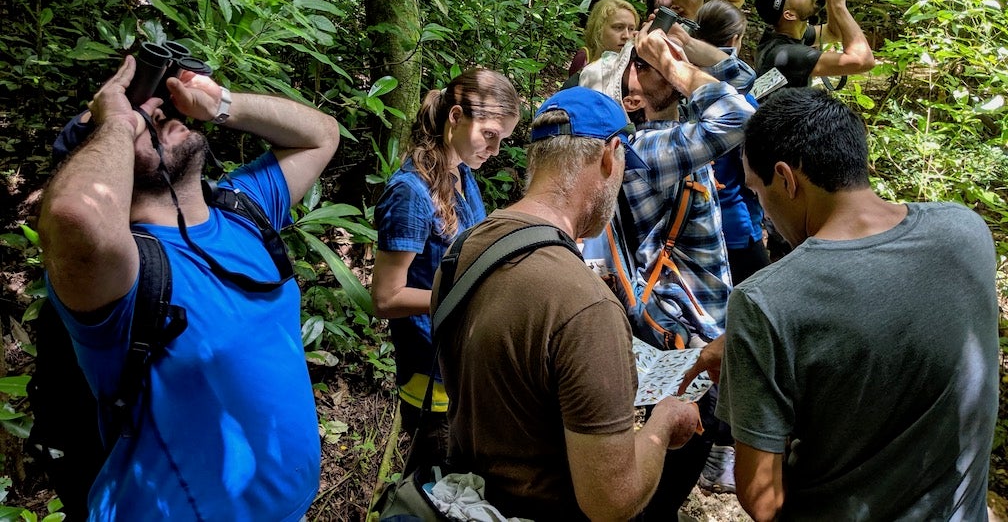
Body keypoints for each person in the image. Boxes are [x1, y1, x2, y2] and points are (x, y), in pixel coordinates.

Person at [38, 52, 341, 520]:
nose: (162, 115)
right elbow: (76, 214)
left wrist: (222, 104)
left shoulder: (242, 210)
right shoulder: (121, 271)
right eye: (148, 122)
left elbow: (322, 135)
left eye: (159, 114)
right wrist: (116, 121)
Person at [685, 87, 999, 521]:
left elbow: (762, 500)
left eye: (758, 192)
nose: (765, 212)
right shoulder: (968, 232)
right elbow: (888, 324)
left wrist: (751, 364)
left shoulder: (766, 302)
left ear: (787, 179)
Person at [435, 86, 702, 520]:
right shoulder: (585, 305)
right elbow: (610, 501)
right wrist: (664, 422)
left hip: (467, 498)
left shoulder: (465, 248)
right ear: (608, 156)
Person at [578, 21, 755, 516]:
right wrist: (678, 66)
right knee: (662, 494)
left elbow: (750, 85)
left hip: (697, 344)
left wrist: (685, 49)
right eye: (637, 65)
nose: (650, 62)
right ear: (631, 101)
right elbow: (738, 114)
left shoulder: (671, 138)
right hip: (685, 344)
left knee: (668, 491)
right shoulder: (645, 153)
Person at [371, 68, 519, 472]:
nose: (495, 149)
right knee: (432, 483)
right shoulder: (410, 192)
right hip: (430, 376)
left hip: (461, 368)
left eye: (502, 140)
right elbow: (385, 297)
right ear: (456, 117)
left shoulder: (462, 174)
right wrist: (467, 296)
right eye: (489, 135)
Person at [689, 0, 770, 497]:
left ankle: (708, 443)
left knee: (713, 335)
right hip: (736, 232)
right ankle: (723, 448)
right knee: (743, 341)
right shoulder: (737, 93)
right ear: (736, 41)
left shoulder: (686, 88)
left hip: (701, 229)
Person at [753, 0, 876, 89]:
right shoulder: (788, 54)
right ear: (789, 15)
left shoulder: (786, 34)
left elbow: (834, 33)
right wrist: (839, 5)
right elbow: (864, 61)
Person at [569, 0, 640, 76]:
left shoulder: (636, 64)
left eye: (631, 29)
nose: (626, 36)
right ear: (599, 29)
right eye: (618, 27)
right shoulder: (585, 58)